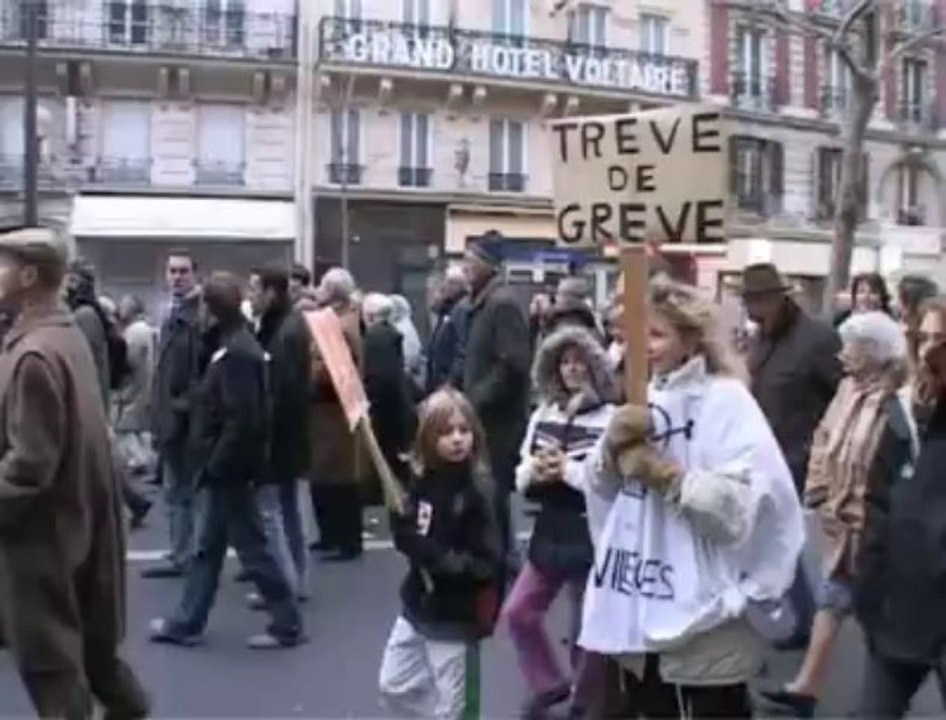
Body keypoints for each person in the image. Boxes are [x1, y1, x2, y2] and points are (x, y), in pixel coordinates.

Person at [586, 279, 804, 719]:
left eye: (657, 334)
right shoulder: (641, 397)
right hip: (638, 619)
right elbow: (600, 488)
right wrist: (610, 451)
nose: (645, 347)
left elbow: (742, 510)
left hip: (705, 636)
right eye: (636, 335)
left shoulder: (725, 401)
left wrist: (668, 477)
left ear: (689, 339)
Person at [0, 226, 149, 718]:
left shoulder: (33, 354)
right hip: (80, 521)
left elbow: (28, 468)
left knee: (52, 667)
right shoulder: (64, 336)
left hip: (45, 539)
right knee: (95, 656)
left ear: (27, 276)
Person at [761, 311, 914, 718]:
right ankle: (807, 690)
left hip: (877, 529)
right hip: (843, 523)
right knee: (832, 602)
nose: (842, 354)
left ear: (876, 353)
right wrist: (818, 491)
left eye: (852, 347)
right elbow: (825, 437)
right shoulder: (848, 388)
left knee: (879, 619)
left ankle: (881, 702)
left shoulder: (899, 400)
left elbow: (899, 464)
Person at [149, 272, 304, 649]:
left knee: (250, 548)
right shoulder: (234, 346)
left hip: (229, 471)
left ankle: (285, 623)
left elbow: (243, 419)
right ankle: (189, 621)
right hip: (227, 468)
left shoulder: (237, 352)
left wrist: (217, 465)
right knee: (212, 548)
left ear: (211, 309)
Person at [505, 326, 618, 719]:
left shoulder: (610, 419)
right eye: (565, 362)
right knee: (518, 611)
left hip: (592, 531)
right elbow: (520, 472)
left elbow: (607, 483)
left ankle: (585, 702)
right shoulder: (543, 414)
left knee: (588, 628)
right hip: (550, 529)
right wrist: (535, 470)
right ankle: (549, 684)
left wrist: (565, 469)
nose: (572, 369)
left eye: (580, 362)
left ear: (595, 368)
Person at [378, 388, 503, 719]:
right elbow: (409, 535)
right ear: (428, 438)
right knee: (394, 686)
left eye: (464, 430)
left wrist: (442, 561)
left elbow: (488, 560)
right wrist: (403, 529)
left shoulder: (478, 493)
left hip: (455, 615)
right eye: (446, 432)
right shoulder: (420, 482)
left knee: (455, 707)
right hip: (416, 605)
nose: (457, 439)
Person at [742, 263, 843, 648]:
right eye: (748, 302)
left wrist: (823, 448)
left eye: (757, 302)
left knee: (782, 535)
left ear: (778, 299)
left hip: (799, 454)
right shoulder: (761, 338)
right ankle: (799, 613)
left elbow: (842, 397)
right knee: (775, 536)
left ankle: (804, 615)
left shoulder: (817, 339)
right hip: (764, 451)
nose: (752, 311)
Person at [462, 232, 531, 577]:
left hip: (499, 421)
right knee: (488, 492)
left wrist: (476, 398)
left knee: (494, 492)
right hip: (485, 417)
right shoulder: (483, 303)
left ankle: (502, 559)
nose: (465, 269)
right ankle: (499, 555)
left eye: (470, 262)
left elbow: (513, 363)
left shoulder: (502, 304)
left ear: (487, 266)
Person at [246, 266, 313, 603]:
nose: (251, 296)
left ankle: (283, 585)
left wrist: (262, 436)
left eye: (255, 289)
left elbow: (278, 391)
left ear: (271, 293)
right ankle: (297, 579)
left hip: (278, 437)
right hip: (292, 435)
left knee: (272, 513)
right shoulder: (287, 325)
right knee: (289, 511)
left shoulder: (283, 332)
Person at [143, 250, 203, 578]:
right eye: (172, 271)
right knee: (175, 491)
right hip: (170, 417)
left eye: (183, 271)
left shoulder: (197, 316)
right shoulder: (172, 312)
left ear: (195, 274)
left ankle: (188, 555)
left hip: (185, 422)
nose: (177, 277)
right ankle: (182, 552)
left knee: (184, 492)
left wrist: (180, 409)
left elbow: (199, 373)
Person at [309, 267, 367, 561]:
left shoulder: (340, 325)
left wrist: (310, 373)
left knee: (339, 480)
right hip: (329, 411)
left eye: (322, 285)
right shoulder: (340, 319)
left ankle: (345, 540)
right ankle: (331, 536)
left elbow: (336, 370)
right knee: (328, 478)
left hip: (334, 410)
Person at [363, 293, 416, 488]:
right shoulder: (392, 333)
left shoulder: (376, 338)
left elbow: (382, 380)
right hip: (398, 413)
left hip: (385, 417)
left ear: (369, 316)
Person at [426, 265, 469, 395]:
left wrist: (451, 382)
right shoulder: (446, 310)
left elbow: (461, 348)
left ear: (460, 286)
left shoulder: (461, 309)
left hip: (449, 385)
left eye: (450, 282)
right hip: (438, 382)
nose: (444, 286)